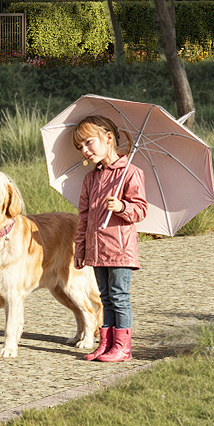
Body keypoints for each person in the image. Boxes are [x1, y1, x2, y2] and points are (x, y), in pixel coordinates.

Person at [67, 112, 150, 364]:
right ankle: (106, 343)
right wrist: (80, 250)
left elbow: (141, 210)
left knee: (118, 295)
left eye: (89, 142)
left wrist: (122, 206)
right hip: (96, 249)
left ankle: (123, 347)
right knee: (104, 297)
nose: (85, 150)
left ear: (108, 137)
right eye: (80, 147)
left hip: (120, 249)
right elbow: (83, 218)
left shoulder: (130, 173)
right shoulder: (91, 179)